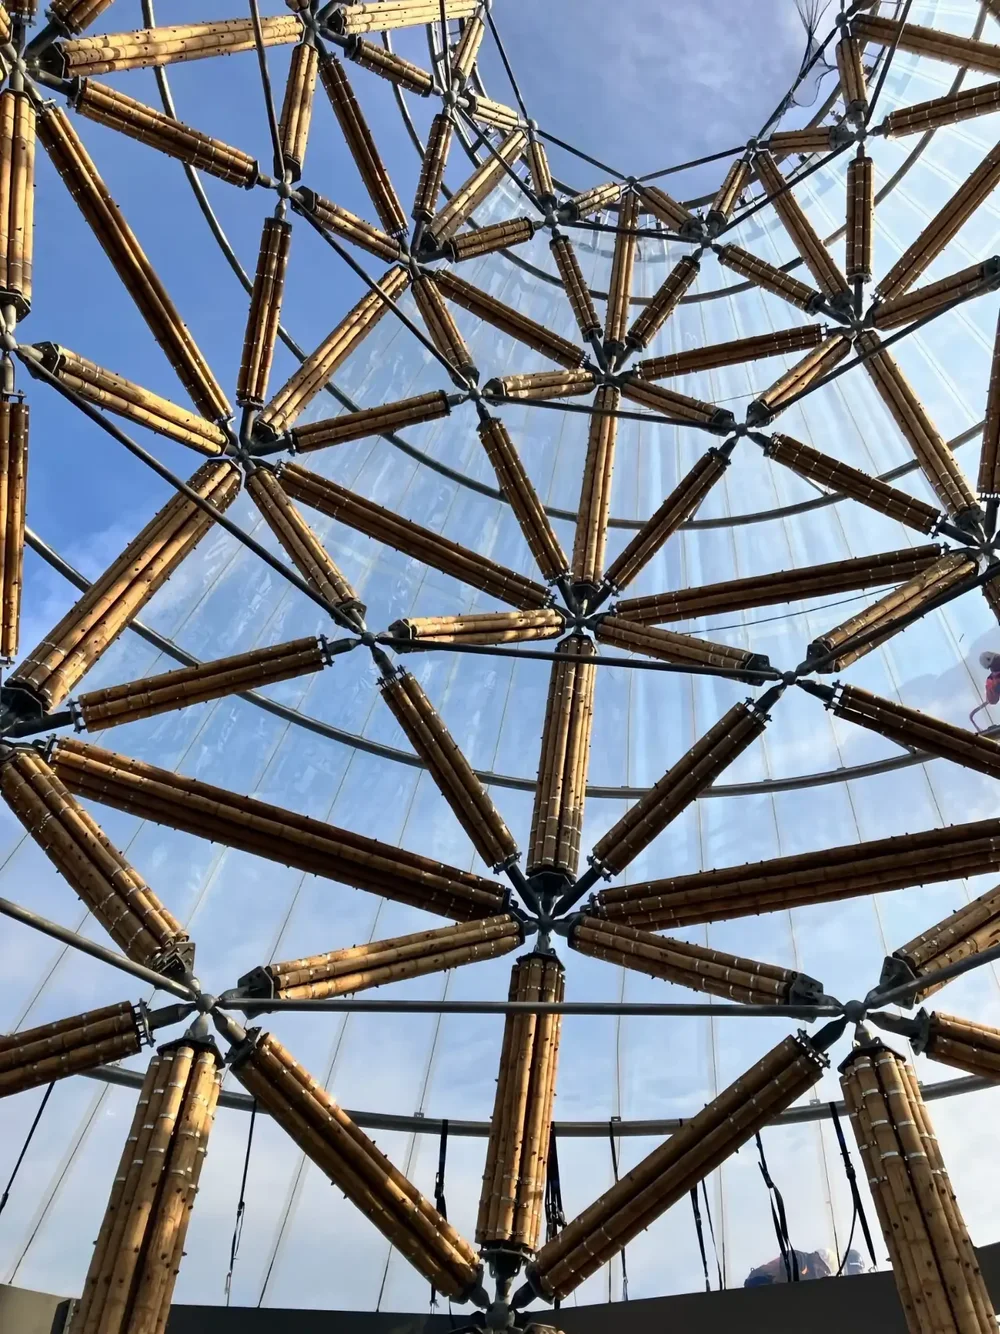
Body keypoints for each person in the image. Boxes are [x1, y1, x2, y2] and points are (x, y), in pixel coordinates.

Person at [971, 652, 1000, 731]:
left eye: (998, 659)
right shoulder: (991, 680)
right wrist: (995, 687)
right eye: (995, 661)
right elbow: (992, 700)